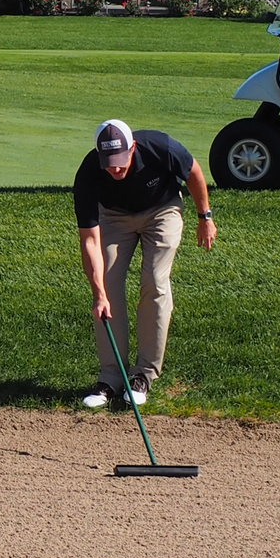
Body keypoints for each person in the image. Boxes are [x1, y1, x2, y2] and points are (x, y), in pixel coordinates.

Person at [74, 119, 215, 409]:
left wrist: (205, 217)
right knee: (107, 288)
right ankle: (111, 378)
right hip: (114, 216)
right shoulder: (89, 172)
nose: (115, 169)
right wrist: (98, 292)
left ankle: (144, 375)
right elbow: (89, 241)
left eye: (120, 161)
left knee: (154, 280)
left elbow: (194, 172)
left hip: (162, 209)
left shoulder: (159, 146)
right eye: (108, 162)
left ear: (133, 147)